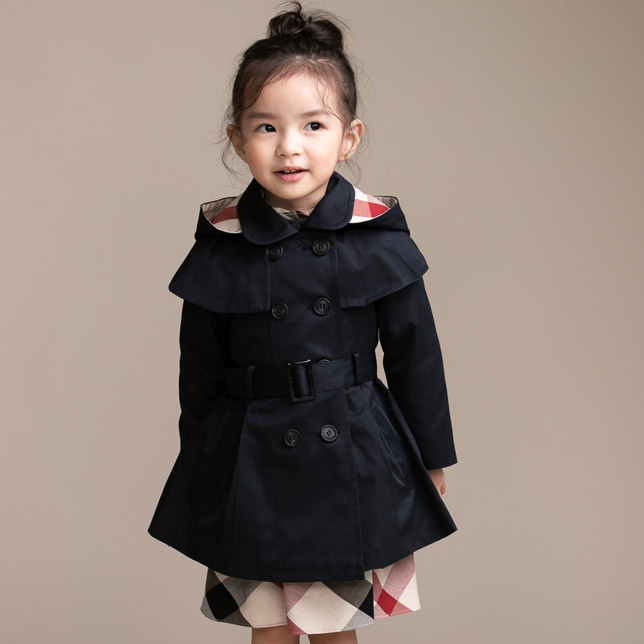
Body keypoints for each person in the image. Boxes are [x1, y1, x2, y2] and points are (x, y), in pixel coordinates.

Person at [147, 2, 459, 642]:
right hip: (250, 460)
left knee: (335, 628)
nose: (289, 146)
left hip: (349, 457)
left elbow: (416, 357)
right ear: (238, 140)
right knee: (268, 629)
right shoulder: (222, 242)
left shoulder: (378, 237)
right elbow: (197, 370)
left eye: (313, 125)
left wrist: (432, 459)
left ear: (349, 137)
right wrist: (201, 462)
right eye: (266, 127)